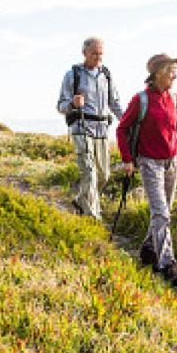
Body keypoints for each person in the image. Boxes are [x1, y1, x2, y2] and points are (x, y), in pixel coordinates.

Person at [116, 53, 177, 287]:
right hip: (149, 163)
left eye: (175, 71)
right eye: (171, 71)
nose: (174, 76)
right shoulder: (141, 99)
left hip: (173, 161)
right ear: (158, 73)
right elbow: (121, 129)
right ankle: (167, 264)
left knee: (163, 213)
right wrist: (127, 159)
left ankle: (147, 250)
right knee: (161, 213)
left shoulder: (174, 99)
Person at [57, 37, 123, 219]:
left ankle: (81, 200)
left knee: (104, 175)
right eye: (94, 53)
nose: (98, 57)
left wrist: (126, 121)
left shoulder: (106, 75)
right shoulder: (73, 75)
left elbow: (114, 103)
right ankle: (92, 217)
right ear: (84, 52)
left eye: (100, 54)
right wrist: (72, 103)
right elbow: (61, 105)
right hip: (81, 128)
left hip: (102, 131)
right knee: (89, 173)